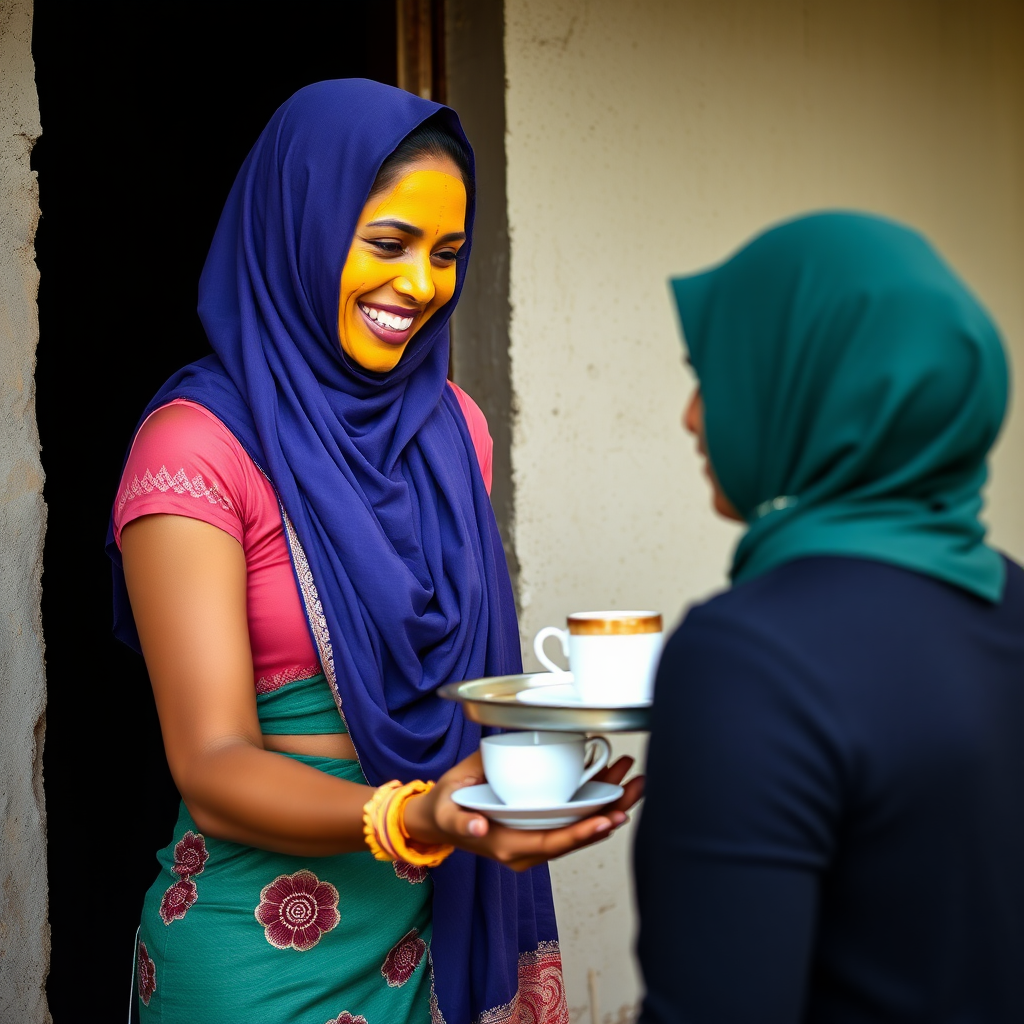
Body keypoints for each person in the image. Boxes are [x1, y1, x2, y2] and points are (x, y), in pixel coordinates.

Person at [107, 79, 641, 1024]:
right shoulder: (196, 447)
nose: (422, 286)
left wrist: (540, 770)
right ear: (301, 231)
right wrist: (415, 816)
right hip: (260, 964)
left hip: (436, 936)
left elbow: (453, 673)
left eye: (446, 253)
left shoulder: (453, 430)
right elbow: (212, 760)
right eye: (387, 244)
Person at [634, 211, 1024, 1023]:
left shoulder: (748, 659)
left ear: (805, 386)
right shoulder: (1012, 604)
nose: (691, 417)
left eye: (712, 376)